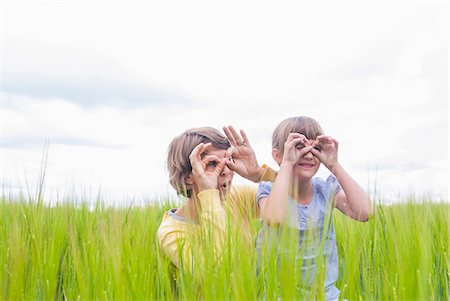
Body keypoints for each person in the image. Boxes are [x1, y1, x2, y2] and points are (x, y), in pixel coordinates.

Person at [256, 116, 373, 300]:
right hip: (279, 295)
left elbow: (364, 212)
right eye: (299, 146)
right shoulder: (269, 190)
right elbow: (274, 218)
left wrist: (334, 165)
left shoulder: (325, 190)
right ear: (278, 155)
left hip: (325, 295)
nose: (309, 154)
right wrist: (287, 164)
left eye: (316, 148)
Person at [156, 126, 277, 274]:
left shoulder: (236, 197)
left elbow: (297, 202)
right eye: (212, 163)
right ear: (188, 177)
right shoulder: (170, 233)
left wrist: (259, 174)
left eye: (228, 161)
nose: (226, 170)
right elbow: (216, 271)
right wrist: (209, 194)